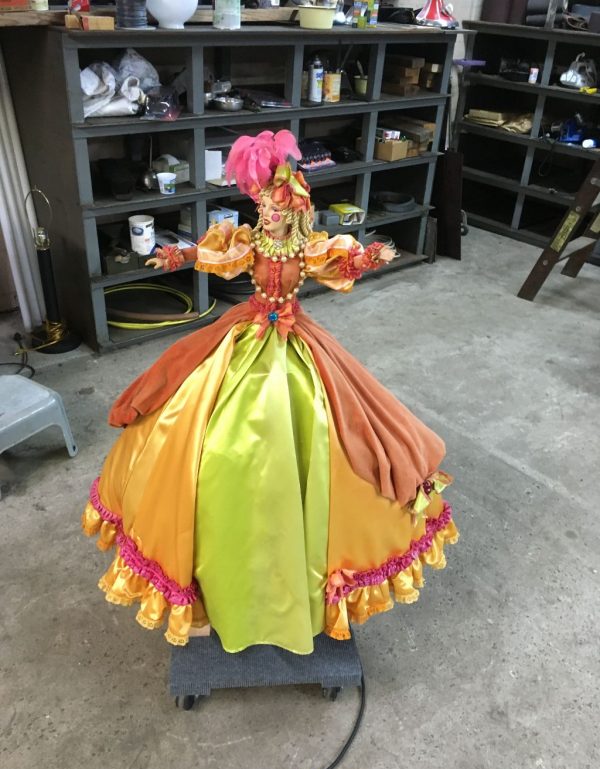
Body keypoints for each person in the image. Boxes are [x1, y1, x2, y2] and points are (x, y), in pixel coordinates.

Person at [81, 130, 458, 653]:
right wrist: (174, 256)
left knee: (339, 426)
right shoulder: (252, 241)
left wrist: (367, 256)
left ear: (295, 213)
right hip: (248, 332)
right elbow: (214, 254)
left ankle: (305, 572)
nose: (267, 216)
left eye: (275, 210)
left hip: (294, 340)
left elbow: (336, 262)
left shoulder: (305, 247)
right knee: (192, 416)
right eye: (263, 208)